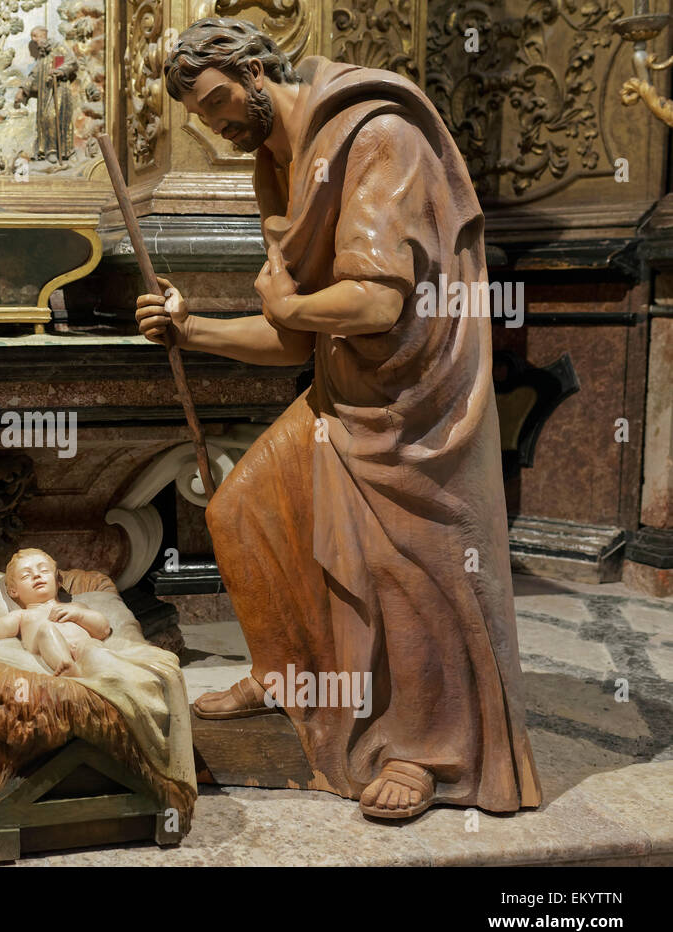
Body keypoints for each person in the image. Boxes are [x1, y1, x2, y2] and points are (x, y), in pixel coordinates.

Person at [136, 18, 541, 820]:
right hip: (343, 391)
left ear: (254, 68)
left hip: (415, 407)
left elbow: (373, 298)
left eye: (216, 100)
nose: (214, 124)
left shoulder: (379, 132)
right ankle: (289, 674)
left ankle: (425, 752)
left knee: (408, 573)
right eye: (199, 117)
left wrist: (290, 301)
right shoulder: (274, 165)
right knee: (243, 509)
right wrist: (191, 329)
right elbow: (292, 335)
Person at [0, 548, 111, 676]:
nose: (36, 576)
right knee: (46, 630)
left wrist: (79, 615)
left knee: (93, 649)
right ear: (13, 590)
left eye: (44, 571)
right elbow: (0, 624)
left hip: (85, 650)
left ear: (58, 581)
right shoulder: (23, 615)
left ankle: (101, 673)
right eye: (26, 575)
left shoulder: (75, 606)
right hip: (52, 655)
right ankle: (67, 666)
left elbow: (103, 629)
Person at [15, 27, 78, 163]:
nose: (34, 40)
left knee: (53, 116)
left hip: (58, 90)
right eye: (33, 37)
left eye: (35, 36)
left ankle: (60, 150)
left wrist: (60, 71)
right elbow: (34, 75)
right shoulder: (43, 57)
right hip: (45, 94)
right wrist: (22, 90)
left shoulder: (58, 48)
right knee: (45, 119)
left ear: (44, 35)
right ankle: (49, 150)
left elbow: (72, 62)